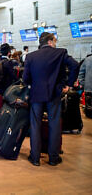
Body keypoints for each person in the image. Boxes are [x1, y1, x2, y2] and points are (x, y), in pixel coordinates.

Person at [23, 32, 78, 166]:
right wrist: (68, 84)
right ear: (49, 42)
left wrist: (33, 84)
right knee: (54, 124)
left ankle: (35, 157)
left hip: (36, 94)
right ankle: (53, 158)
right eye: (55, 41)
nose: (55, 43)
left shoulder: (30, 56)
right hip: (54, 93)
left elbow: (25, 78)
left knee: (35, 124)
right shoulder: (60, 53)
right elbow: (75, 65)